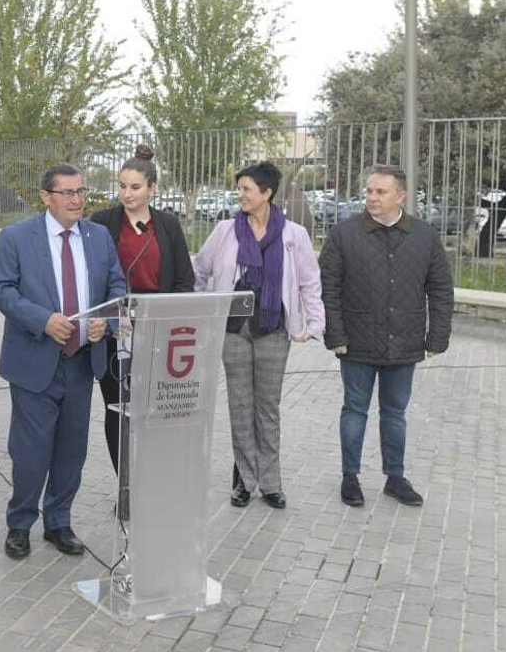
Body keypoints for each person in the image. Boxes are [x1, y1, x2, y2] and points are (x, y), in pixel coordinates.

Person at [0, 164, 127, 560]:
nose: (76, 200)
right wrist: (42, 320)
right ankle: (19, 524)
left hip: (83, 362)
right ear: (46, 197)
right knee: (31, 451)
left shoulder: (99, 237)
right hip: (34, 361)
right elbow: (1, 290)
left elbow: (117, 286)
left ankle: (58, 521)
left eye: (81, 191)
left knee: (72, 451)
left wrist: (106, 320)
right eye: (66, 192)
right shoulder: (16, 237)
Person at [191, 161, 324, 510]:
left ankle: (271, 482)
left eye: (247, 189)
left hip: (272, 331)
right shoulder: (225, 230)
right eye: (239, 189)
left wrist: (314, 324)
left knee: (267, 407)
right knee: (240, 406)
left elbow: (310, 282)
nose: (240, 195)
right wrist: (207, 309)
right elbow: (199, 271)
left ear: (267, 193)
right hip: (233, 331)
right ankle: (245, 482)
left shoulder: (294, 234)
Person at [320, 165, 454, 509]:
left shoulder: (424, 236)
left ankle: (395, 477)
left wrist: (437, 336)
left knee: (395, 413)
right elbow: (329, 288)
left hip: (404, 342)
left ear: (401, 196)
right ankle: (350, 476)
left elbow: (440, 288)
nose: (372, 198)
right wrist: (335, 333)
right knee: (354, 410)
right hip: (356, 342)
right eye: (368, 191)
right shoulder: (343, 234)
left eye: (380, 192)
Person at [87, 144, 195, 473]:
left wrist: (165, 321)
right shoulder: (102, 222)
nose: (126, 193)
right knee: (116, 408)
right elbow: (92, 277)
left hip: (157, 332)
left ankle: (151, 477)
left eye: (135, 187)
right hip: (113, 332)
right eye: (121, 186)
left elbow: (183, 280)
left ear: (152, 189)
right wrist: (107, 319)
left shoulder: (168, 225)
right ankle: (126, 484)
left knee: (152, 408)